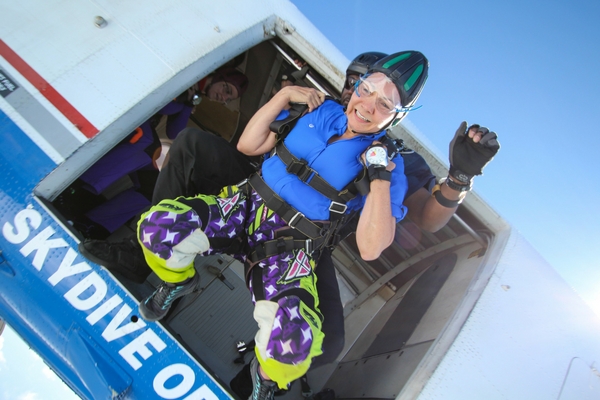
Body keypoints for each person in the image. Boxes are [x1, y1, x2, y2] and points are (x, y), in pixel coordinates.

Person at [132, 51, 433, 397]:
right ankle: (176, 283)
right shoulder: (319, 111)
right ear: (358, 86)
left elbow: (369, 248)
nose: (367, 106)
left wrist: (379, 177)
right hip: (242, 208)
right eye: (367, 90)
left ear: (398, 117)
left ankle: (266, 377)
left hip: (288, 248)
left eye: (385, 104)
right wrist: (284, 95)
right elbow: (248, 145)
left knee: (293, 341)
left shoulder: (388, 168)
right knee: (159, 228)